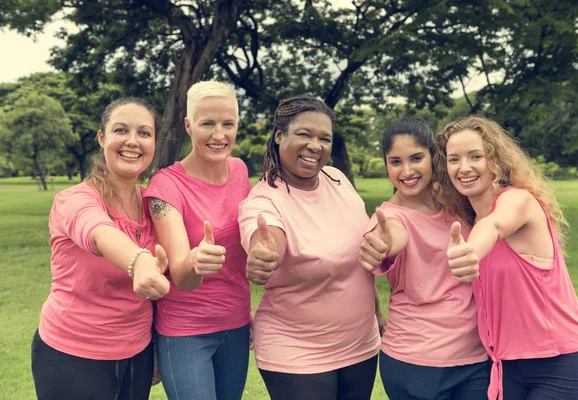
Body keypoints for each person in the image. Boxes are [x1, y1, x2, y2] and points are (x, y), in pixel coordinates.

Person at [434, 116, 578, 400]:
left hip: (558, 363)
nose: (464, 168)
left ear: (495, 160)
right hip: (505, 366)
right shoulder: (468, 219)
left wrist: (470, 252)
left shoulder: (518, 201)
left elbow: (495, 225)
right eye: (454, 159)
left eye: (476, 156)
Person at [238, 95, 380, 400]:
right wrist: (264, 255)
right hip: (297, 352)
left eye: (324, 138)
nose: (315, 145)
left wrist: (376, 313)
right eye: (304, 134)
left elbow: (360, 259)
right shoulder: (264, 200)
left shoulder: (338, 180)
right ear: (279, 136)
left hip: (360, 346)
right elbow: (266, 239)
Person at [31, 98, 170, 400]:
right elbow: (98, 231)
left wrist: (156, 345)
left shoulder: (154, 204)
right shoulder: (75, 200)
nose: (133, 141)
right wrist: (139, 260)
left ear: (154, 143)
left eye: (144, 133)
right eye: (121, 130)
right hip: (72, 352)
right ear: (102, 137)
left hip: (137, 353)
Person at [359, 117, 489, 400]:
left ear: (433, 157)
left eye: (416, 158)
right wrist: (383, 244)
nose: (406, 171)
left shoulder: (457, 199)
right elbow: (393, 235)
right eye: (395, 162)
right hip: (416, 362)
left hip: (476, 358)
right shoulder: (389, 218)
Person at [144, 81, 251, 400]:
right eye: (208, 123)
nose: (219, 135)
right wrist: (196, 262)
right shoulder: (165, 187)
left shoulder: (240, 171)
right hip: (184, 332)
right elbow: (180, 274)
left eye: (227, 124)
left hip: (235, 325)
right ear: (189, 125)